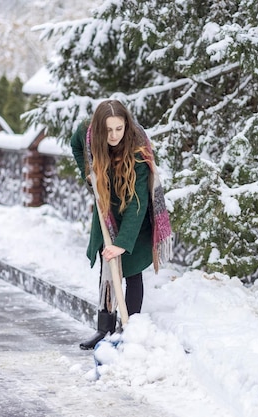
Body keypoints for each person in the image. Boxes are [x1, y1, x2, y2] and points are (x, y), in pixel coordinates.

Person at [71, 99, 172, 350]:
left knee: (132, 271)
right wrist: (88, 173)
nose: (114, 135)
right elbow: (75, 143)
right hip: (108, 211)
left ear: (126, 125)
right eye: (108, 130)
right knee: (107, 270)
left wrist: (122, 244)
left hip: (134, 218)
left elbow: (137, 205)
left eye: (119, 129)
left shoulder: (138, 152)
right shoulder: (89, 133)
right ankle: (103, 329)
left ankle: (131, 329)